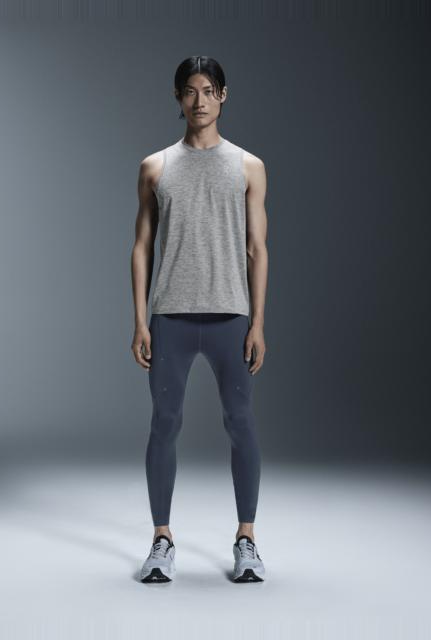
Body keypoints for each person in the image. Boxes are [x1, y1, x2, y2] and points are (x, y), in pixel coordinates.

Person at [131, 56, 268, 583]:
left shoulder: (248, 166)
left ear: (223, 96)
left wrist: (258, 322)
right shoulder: (156, 166)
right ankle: (161, 539)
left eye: (209, 90)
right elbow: (142, 247)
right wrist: (140, 320)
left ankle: (247, 539)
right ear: (178, 97)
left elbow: (257, 249)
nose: (200, 101)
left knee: (241, 422)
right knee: (164, 423)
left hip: (231, 314)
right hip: (171, 315)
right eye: (190, 91)